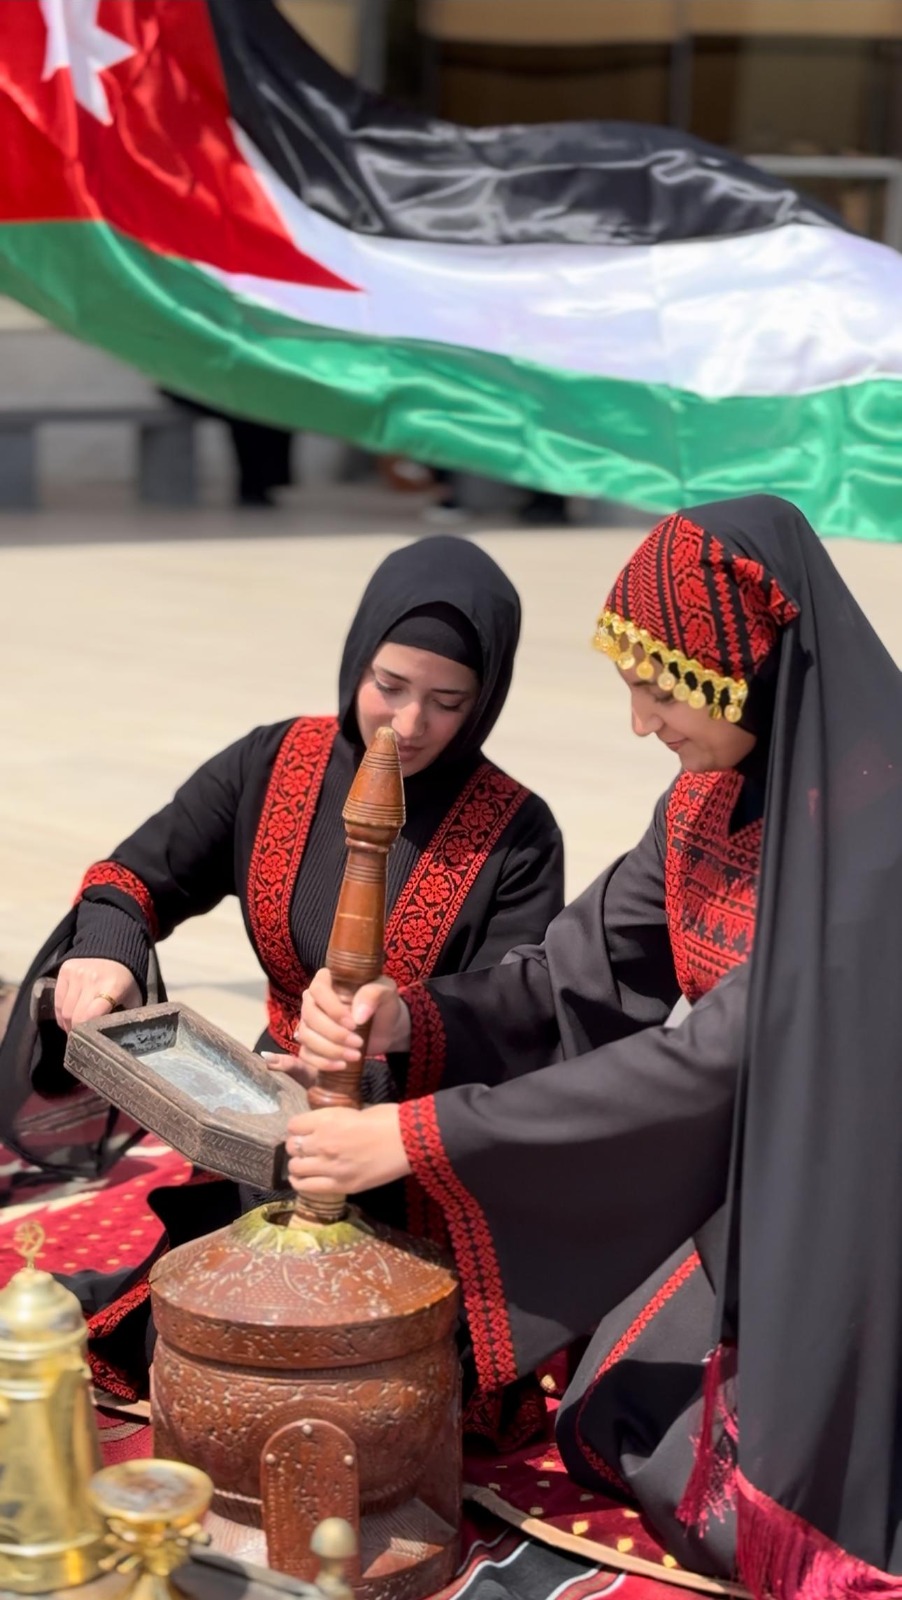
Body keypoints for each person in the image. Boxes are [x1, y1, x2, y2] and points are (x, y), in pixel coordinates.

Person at [289, 497, 902, 1597]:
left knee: (741, 1494)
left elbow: (716, 1060)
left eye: (661, 690)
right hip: (757, 1169)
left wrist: (420, 1136)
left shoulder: (873, 832)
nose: (638, 722)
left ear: (742, 669)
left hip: (856, 1204)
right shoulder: (704, 797)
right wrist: (410, 1020)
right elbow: (577, 974)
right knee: (602, 1404)